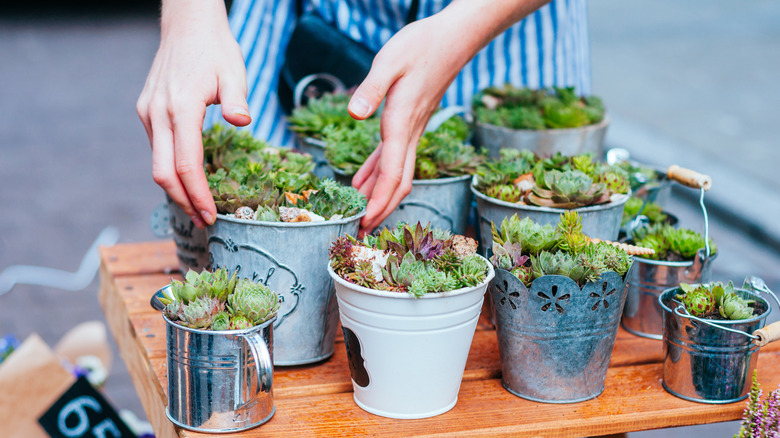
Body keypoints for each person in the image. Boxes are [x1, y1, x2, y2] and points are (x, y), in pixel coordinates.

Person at [137, 0, 591, 234]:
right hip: (312, 21)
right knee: (238, 209)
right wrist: (189, 17)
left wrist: (461, 31)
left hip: (497, 28)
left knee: (507, 240)